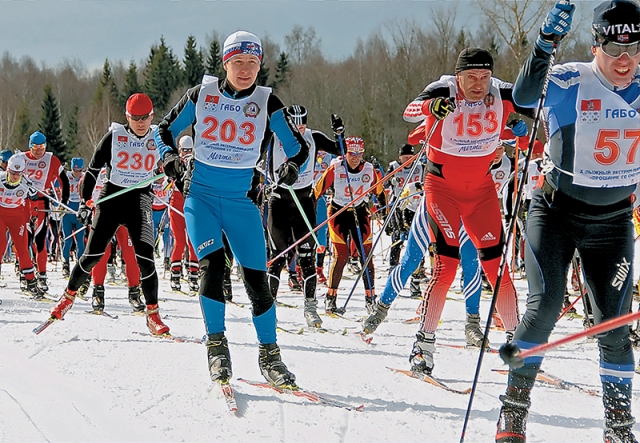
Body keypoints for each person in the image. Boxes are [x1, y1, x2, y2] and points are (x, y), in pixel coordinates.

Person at [496, 2, 640, 442]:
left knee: (615, 327)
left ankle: (618, 427)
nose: (625, 60)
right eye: (615, 48)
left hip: (613, 223)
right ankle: (513, 412)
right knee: (544, 309)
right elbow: (521, 98)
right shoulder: (569, 80)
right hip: (555, 215)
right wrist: (543, 47)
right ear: (596, 44)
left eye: (634, 48)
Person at [156, 31, 308, 387]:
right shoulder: (201, 96)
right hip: (202, 198)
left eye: (252, 63)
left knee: (257, 280)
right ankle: (217, 348)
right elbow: (163, 130)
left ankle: (269, 354)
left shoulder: (267, 102)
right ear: (225, 63)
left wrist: (291, 167)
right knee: (211, 268)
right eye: (238, 62)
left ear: (260, 65)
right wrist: (169, 161)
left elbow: (297, 147)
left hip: (242, 202)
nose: (245, 70)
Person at [394, 46, 535, 378]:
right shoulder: (444, 87)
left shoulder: (500, 91)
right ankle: (423, 345)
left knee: (497, 271)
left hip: (482, 191)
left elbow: (537, 107)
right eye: (471, 77)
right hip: (442, 187)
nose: (478, 84)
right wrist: (432, 105)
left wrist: (519, 128)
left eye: (484, 76)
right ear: (459, 76)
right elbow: (410, 111)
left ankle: (517, 344)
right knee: (446, 266)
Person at [48, 92, 169, 336]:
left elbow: (173, 161)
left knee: (145, 258)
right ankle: (67, 297)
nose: (141, 122)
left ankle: (153, 314)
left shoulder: (158, 137)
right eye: (135, 118)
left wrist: (176, 169)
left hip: (141, 199)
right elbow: (92, 171)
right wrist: (84, 201)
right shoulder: (114, 136)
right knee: (93, 254)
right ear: (127, 116)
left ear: (152, 116)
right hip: (111, 198)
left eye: (145, 117)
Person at [266, 104, 341, 328]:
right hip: (279, 199)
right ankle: (269, 309)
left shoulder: (313, 137)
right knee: (276, 257)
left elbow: (341, 150)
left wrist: (340, 133)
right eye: (293, 124)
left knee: (307, 259)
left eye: (302, 124)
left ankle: (310, 308)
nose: (298, 129)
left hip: (304, 201)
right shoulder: (273, 136)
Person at [314, 133, 386, 314]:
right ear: (345, 152)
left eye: (358, 154)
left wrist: (384, 211)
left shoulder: (370, 170)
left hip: (360, 212)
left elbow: (381, 193)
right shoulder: (336, 168)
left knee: (366, 256)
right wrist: (310, 212)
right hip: (338, 212)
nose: (355, 158)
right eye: (351, 154)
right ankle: (331, 298)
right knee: (341, 255)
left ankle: (371, 298)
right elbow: (317, 191)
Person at [21, 130, 70, 292]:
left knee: (40, 241)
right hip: (23, 203)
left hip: (42, 203)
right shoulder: (21, 158)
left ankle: (42, 275)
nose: (39, 150)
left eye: (42, 146)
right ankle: (25, 274)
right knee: (24, 241)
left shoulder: (52, 159)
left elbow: (64, 181)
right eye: (35, 147)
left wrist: (63, 201)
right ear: (30, 146)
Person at [0, 155, 40, 297]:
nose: (16, 176)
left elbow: (35, 200)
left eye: (19, 174)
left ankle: (31, 283)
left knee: (22, 248)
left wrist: (34, 214)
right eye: (13, 173)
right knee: (0, 247)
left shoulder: (27, 183)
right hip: (1, 214)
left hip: (17, 216)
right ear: (7, 170)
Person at [167, 135, 199, 293]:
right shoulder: (175, 162)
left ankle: (193, 275)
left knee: (193, 241)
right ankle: (175, 275)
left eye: (188, 150)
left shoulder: (196, 162)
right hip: (176, 204)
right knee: (180, 241)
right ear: (179, 149)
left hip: (191, 203)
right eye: (184, 150)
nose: (186, 153)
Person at [385, 143, 423, 269]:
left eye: (410, 157)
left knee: (419, 235)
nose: (408, 160)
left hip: (416, 204)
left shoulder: (420, 166)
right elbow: (384, 184)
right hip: (399, 204)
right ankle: (393, 264)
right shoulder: (394, 166)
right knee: (399, 234)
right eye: (405, 157)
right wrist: (392, 181)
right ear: (400, 157)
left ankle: (419, 267)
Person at [61, 158, 86, 277]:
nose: (77, 173)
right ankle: (65, 264)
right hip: (68, 210)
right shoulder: (66, 176)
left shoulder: (85, 177)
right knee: (67, 240)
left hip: (80, 210)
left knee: (80, 241)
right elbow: (55, 185)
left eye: (79, 170)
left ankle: (79, 265)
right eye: (75, 170)